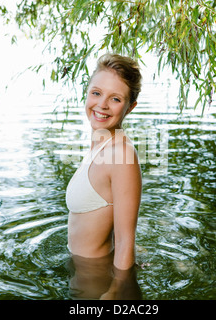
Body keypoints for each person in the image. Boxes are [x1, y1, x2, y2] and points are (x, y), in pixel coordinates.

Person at [66, 53, 142, 290]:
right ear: (87, 93)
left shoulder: (122, 157)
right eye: (96, 93)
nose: (102, 105)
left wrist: (117, 291)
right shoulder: (100, 142)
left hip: (96, 283)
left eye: (115, 99)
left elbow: (125, 242)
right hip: (80, 271)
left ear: (130, 107)